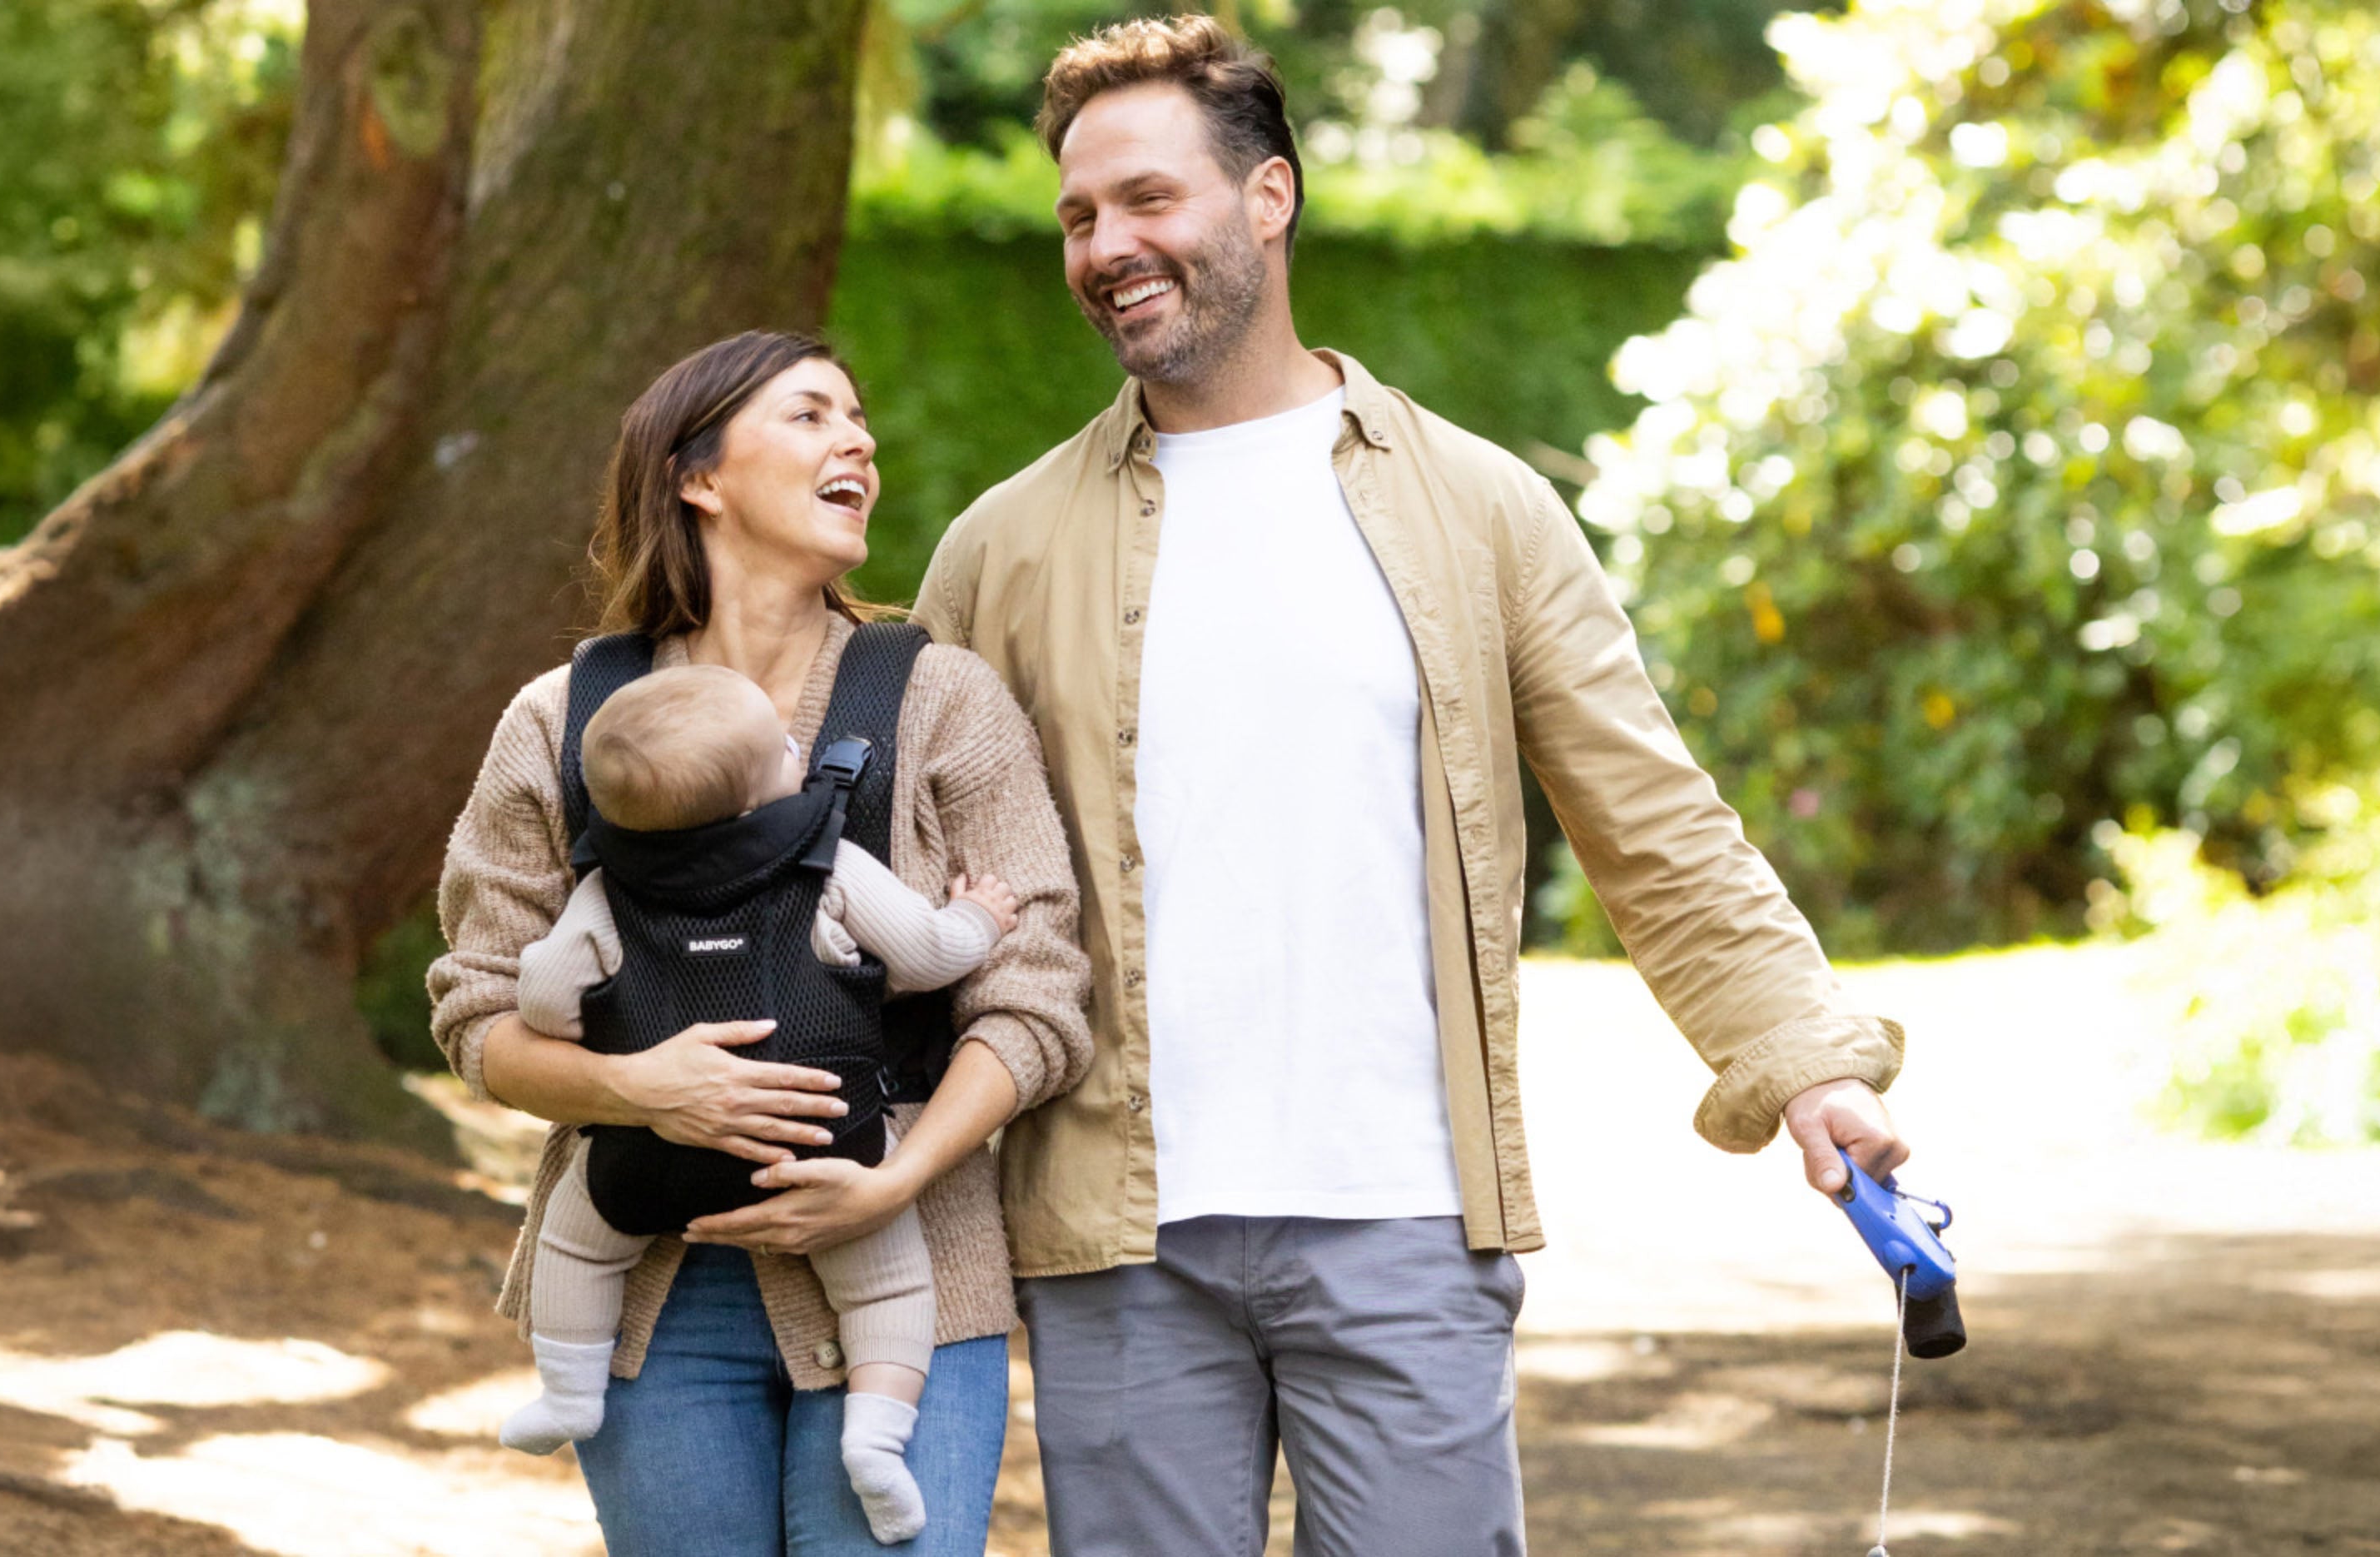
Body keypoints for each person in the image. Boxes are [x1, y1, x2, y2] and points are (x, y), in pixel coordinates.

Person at [914, 18, 1920, 1555]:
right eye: (1076, 217)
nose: (1104, 246)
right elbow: (904, 863)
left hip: (1403, 1214)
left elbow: (1648, 818)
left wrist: (1803, 1059)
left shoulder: (1480, 508)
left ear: (1267, 197)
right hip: (1108, 1230)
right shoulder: (1001, 548)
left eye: (1144, 201)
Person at [430, 330, 1091, 1556]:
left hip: (908, 1273)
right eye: (810, 415)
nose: (860, 440)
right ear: (699, 475)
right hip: (647, 1290)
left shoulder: (941, 698)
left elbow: (1035, 997)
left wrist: (892, 1177)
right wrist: (637, 1088)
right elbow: (478, 1013)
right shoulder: (562, 722)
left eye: (860, 417)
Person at [491, 659, 1027, 1546]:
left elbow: (543, 1001)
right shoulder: (825, 860)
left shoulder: (605, 890)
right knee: (889, 1280)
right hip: (826, 1143)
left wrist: (622, 1059)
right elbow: (927, 954)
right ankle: (877, 1439)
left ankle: (566, 1390)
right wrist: (980, 919)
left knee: (574, 1240)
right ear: (757, 801)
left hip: (645, 1170)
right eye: (783, 749)